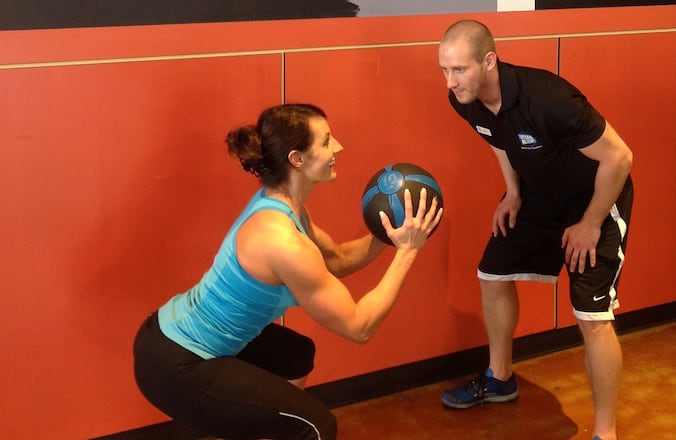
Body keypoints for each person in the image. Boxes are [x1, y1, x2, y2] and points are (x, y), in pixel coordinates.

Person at [133, 103, 442, 440]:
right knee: (315, 426)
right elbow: (360, 327)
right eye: (325, 142)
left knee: (294, 355)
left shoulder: (283, 205)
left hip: (169, 336)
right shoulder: (282, 241)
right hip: (178, 365)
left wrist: (390, 234)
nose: (337, 147)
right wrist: (408, 251)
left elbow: (336, 259)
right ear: (297, 159)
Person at [437, 20, 633, 440]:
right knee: (492, 273)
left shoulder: (547, 98)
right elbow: (497, 137)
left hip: (595, 198)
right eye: (444, 71)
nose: (451, 82)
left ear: (489, 61)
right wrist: (512, 192)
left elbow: (619, 157)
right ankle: (500, 378)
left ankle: (605, 432)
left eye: (459, 70)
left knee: (592, 314)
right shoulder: (465, 101)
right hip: (540, 197)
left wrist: (591, 223)